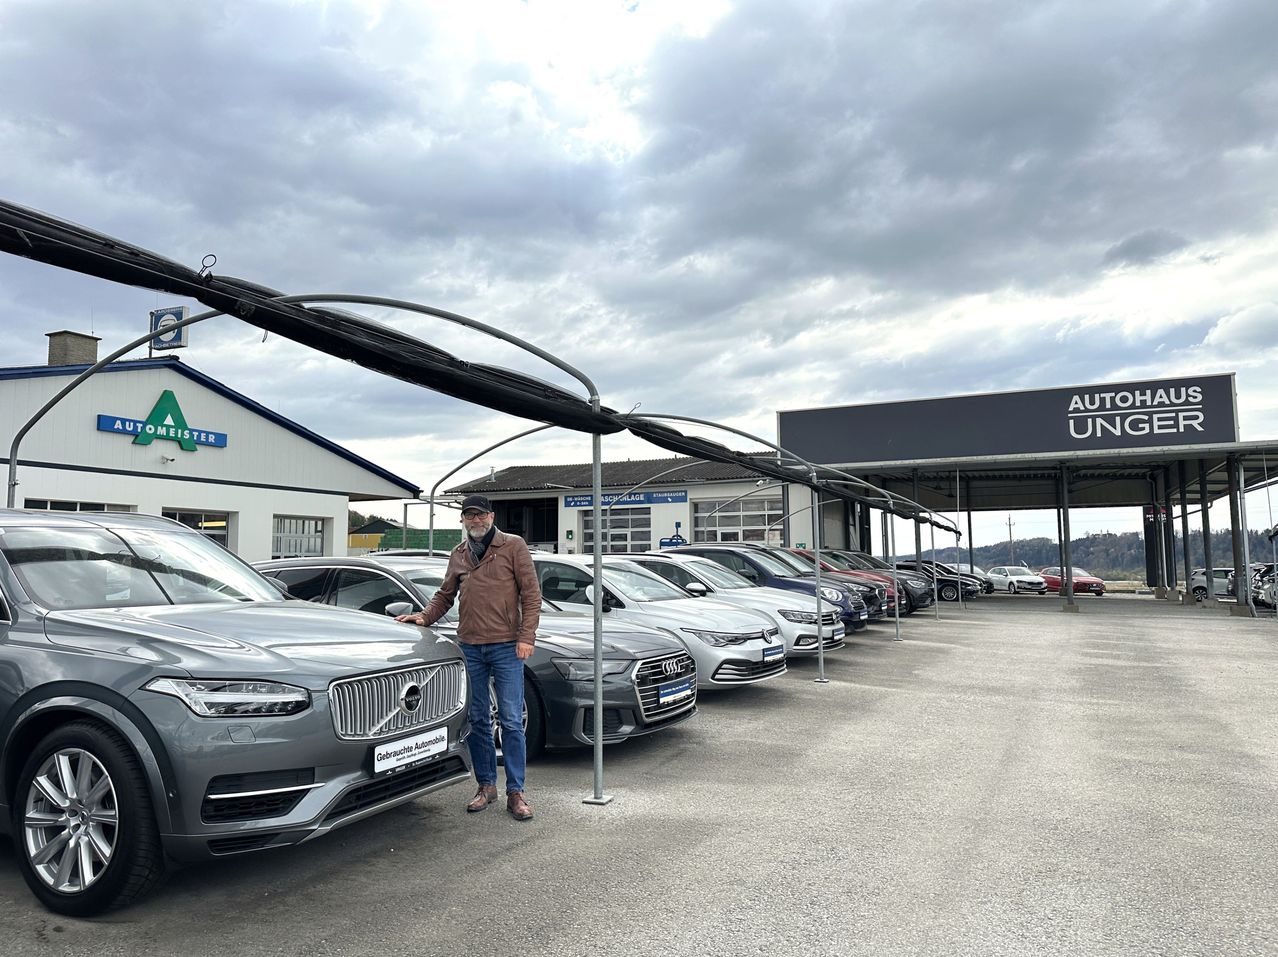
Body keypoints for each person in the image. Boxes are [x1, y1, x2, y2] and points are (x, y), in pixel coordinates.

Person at [397, 494, 540, 821]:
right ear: (463, 520)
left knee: (511, 721)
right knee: (477, 721)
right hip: (471, 647)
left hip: (507, 646)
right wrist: (424, 617)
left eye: (480, 515)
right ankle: (486, 786)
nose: (475, 522)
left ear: (491, 516)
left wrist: (526, 637)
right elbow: (446, 594)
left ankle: (516, 792)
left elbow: (532, 596)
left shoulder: (513, 546)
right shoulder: (459, 553)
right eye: (468, 517)